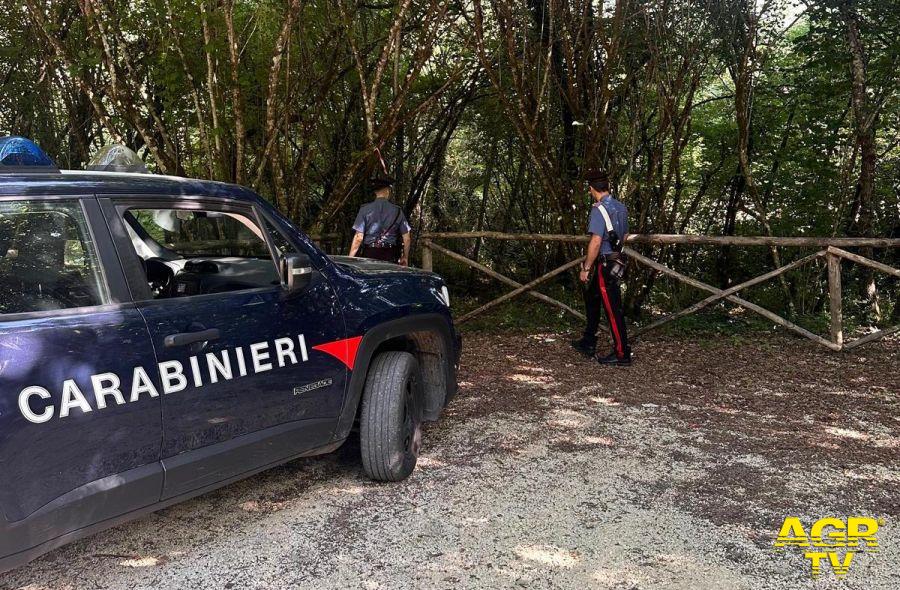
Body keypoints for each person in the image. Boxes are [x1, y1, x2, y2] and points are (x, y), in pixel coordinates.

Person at [572, 169, 632, 366]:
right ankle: (588, 341)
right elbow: (623, 237)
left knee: (613, 309)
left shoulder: (599, 210)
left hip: (605, 264)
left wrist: (586, 268)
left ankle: (622, 354)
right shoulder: (621, 208)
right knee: (592, 297)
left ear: (591, 189)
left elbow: (596, 242)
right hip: (617, 261)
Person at [348, 174, 412, 265]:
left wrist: (350, 259)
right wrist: (405, 257)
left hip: (369, 254)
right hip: (390, 254)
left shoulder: (365, 209)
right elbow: (407, 238)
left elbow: (358, 237)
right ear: (387, 191)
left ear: (375, 192)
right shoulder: (397, 211)